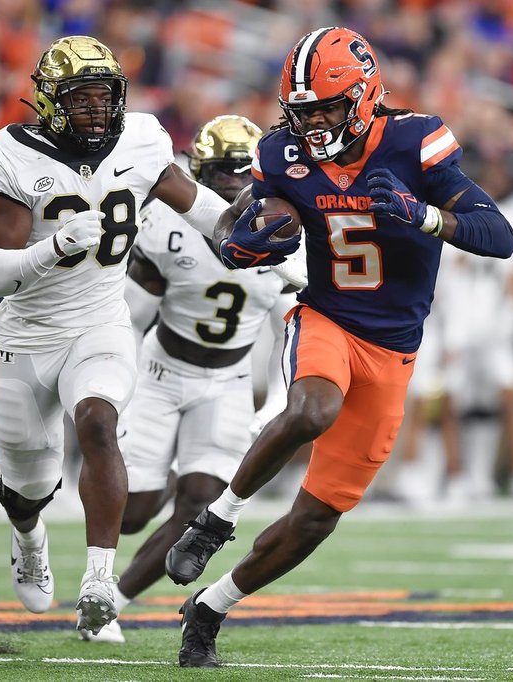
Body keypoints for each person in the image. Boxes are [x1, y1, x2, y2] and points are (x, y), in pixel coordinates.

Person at [165, 27, 513, 667]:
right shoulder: (280, 154)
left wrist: (424, 215)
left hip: (395, 350)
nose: (317, 122)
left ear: (363, 93)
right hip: (326, 317)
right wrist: (243, 242)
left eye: (327, 106)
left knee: (316, 520)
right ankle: (215, 520)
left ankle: (210, 609)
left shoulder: (416, 141)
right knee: (309, 410)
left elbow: (499, 235)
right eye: (305, 111)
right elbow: (244, 223)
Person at [0, 36, 233, 636]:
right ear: (50, 102)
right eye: (81, 98)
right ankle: (29, 537)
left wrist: (246, 227)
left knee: (97, 422)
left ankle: (98, 579)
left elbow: (198, 205)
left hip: (99, 320)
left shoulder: (141, 138)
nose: (96, 110)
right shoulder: (14, 152)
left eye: (104, 96)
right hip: (27, 334)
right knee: (27, 483)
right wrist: (53, 248)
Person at [81, 115, 295, 643]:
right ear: (198, 172)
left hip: (228, 381)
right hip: (159, 371)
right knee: (134, 513)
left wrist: (276, 405)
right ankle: (158, 479)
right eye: (218, 172)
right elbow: (131, 313)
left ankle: (111, 605)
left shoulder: (287, 230)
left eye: (240, 172)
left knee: (200, 511)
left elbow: (294, 333)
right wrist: (112, 375)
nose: (229, 185)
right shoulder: (165, 223)